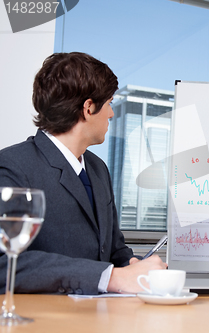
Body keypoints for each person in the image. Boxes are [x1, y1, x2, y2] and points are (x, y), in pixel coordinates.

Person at [0, 52, 166, 295]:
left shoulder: (98, 169)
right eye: (109, 103)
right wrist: (112, 278)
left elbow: (113, 249)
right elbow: (5, 264)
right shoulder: (13, 166)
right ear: (88, 108)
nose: (111, 113)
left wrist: (133, 265)